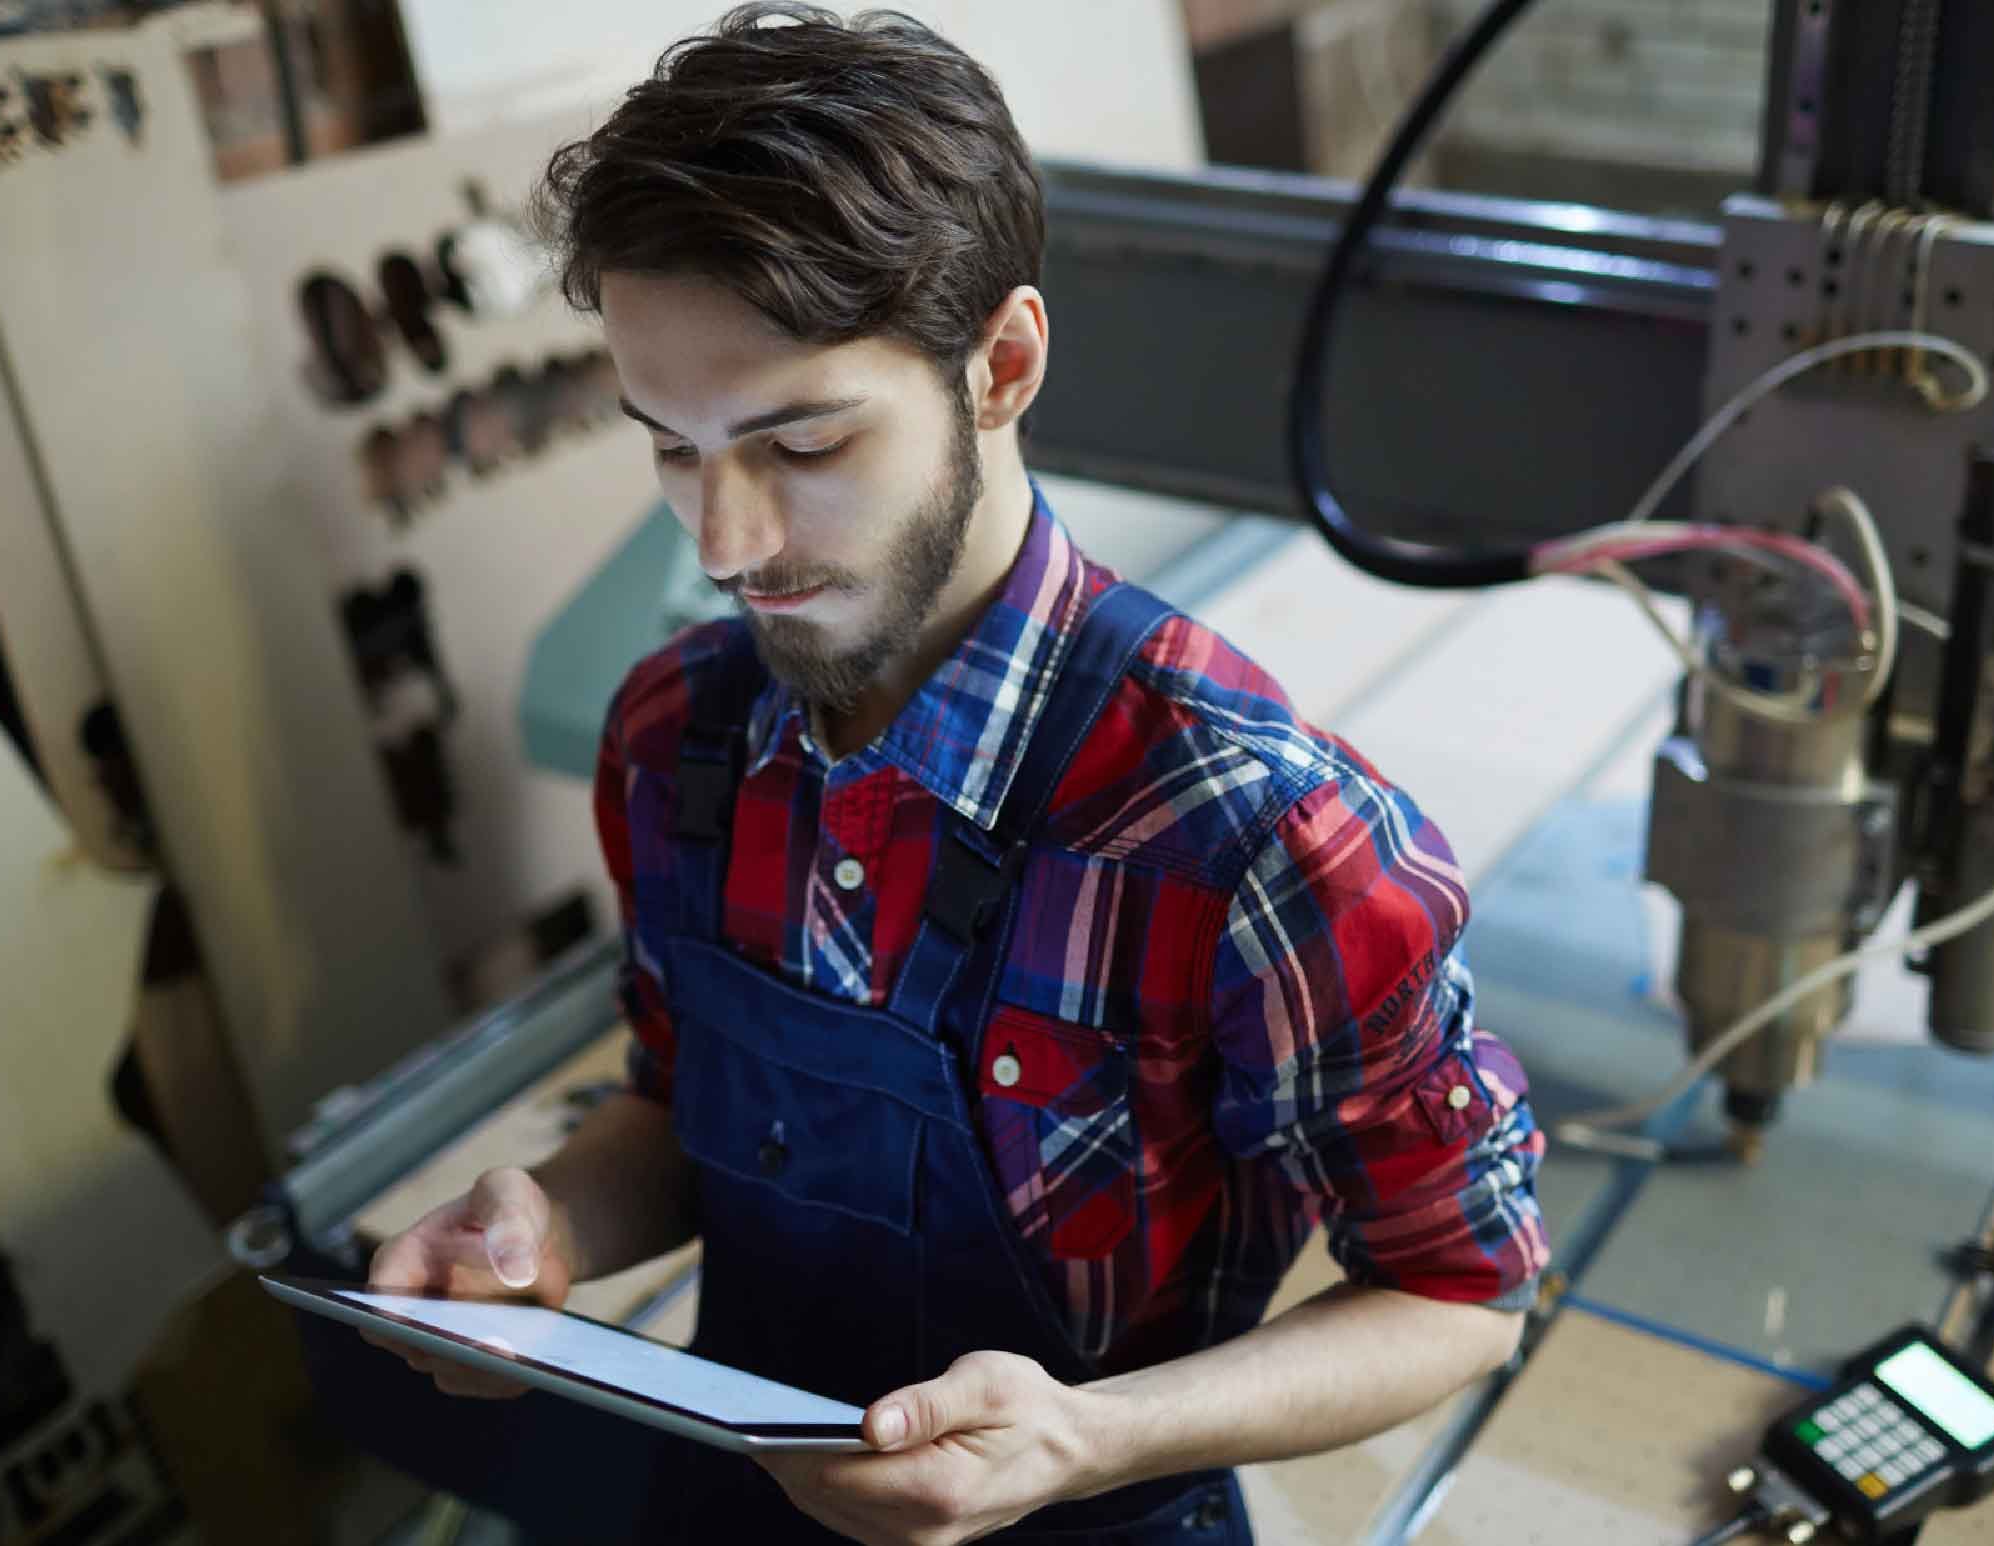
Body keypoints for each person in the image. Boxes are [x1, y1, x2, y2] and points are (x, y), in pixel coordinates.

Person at [364, 7, 1549, 1542]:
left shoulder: (1257, 834)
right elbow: (677, 1115)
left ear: (1001, 363)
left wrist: (1081, 1436)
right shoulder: (676, 737)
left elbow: (1461, 1290)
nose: (721, 544)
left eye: (800, 444)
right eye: (671, 445)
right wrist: (543, 1221)